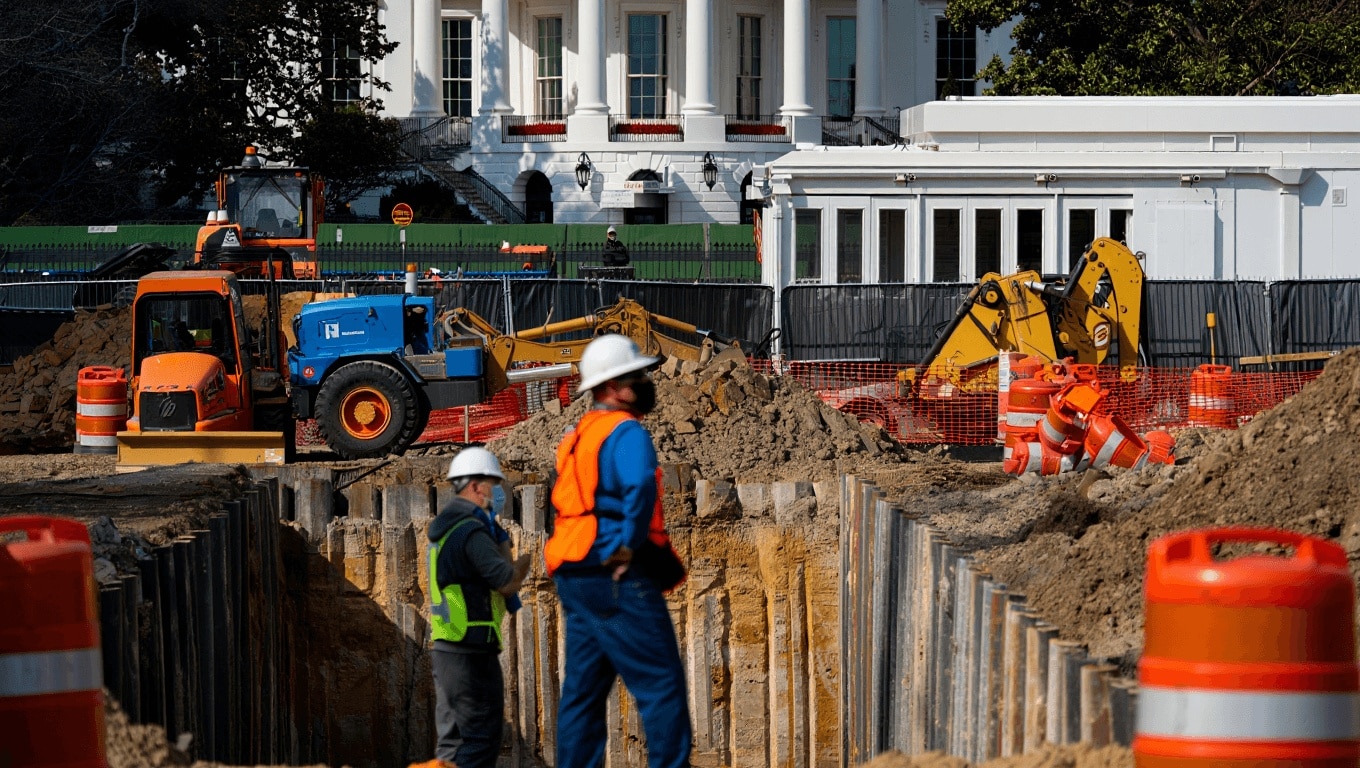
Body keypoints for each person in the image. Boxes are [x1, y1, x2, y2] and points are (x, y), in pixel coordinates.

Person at [546, 334, 691, 768]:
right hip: (614, 570)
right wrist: (628, 546)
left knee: (583, 694)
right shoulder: (626, 431)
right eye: (637, 376)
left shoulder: (578, 435)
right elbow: (640, 485)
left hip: (572, 570)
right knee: (661, 685)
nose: (646, 382)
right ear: (612, 386)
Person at [428, 447, 531, 768]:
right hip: (470, 654)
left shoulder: (446, 530)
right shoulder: (470, 532)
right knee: (480, 742)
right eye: (492, 483)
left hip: (448, 650)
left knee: (452, 745)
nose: (496, 491)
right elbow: (507, 581)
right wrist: (528, 560)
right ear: (474, 486)